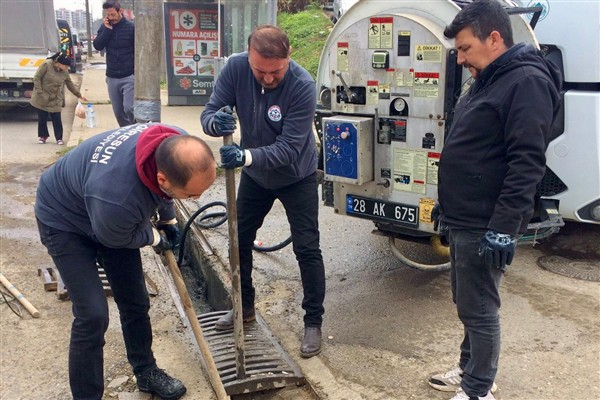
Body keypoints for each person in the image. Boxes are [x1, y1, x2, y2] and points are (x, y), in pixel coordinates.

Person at [428, 1, 562, 399]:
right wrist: (446, 204)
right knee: (466, 299)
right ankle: (471, 366)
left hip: (486, 221)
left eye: (466, 48)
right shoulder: (491, 77)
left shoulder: (525, 83)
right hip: (465, 214)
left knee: (479, 308)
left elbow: (527, 162)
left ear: (495, 38)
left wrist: (504, 228)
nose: (460, 58)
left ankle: (477, 389)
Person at [35, 123, 217, 400]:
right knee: (93, 315)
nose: (197, 199)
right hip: (64, 221)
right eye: (192, 195)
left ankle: (146, 372)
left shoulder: (175, 143)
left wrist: (167, 219)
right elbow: (116, 235)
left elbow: (163, 192)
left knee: (135, 300)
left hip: (106, 212)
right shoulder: (118, 196)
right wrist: (155, 238)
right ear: (163, 179)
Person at [200, 25, 326, 358]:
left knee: (307, 247)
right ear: (249, 57)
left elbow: (288, 148)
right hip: (257, 177)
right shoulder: (236, 68)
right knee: (238, 238)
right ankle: (244, 307)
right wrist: (216, 123)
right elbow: (210, 111)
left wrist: (245, 156)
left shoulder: (302, 86)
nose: (268, 79)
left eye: (276, 72)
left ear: (289, 59)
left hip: (295, 175)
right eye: (261, 71)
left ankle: (313, 322)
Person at [30, 52, 87, 145]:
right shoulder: (46, 65)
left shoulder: (64, 72)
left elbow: (70, 84)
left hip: (55, 97)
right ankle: (43, 136)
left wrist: (79, 95)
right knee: (42, 117)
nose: (67, 68)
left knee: (56, 117)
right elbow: (36, 78)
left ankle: (59, 138)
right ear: (60, 63)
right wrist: (40, 92)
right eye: (66, 66)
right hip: (42, 95)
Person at [93, 1, 135, 127]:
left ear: (119, 11)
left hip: (129, 75)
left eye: (113, 14)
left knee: (129, 108)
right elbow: (98, 45)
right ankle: (125, 132)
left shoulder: (130, 27)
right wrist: (107, 30)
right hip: (112, 76)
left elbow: (138, 50)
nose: (111, 17)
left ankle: (137, 128)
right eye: (108, 15)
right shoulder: (105, 27)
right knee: (118, 112)